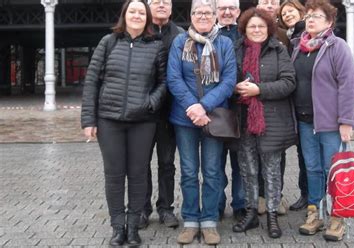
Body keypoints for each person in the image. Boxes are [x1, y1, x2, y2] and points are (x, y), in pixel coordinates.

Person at [81, 0, 167, 246]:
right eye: (133, 11)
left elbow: (164, 82)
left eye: (142, 12)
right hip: (109, 120)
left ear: (147, 17)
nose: (137, 15)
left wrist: (151, 102)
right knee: (114, 175)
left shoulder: (156, 46)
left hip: (143, 121)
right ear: (124, 15)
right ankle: (117, 227)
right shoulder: (108, 43)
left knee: (139, 174)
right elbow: (92, 82)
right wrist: (89, 119)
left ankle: (133, 227)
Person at [166, 0, 237, 245]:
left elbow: (228, 81)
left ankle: (208, 221)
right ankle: (190, 220)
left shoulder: (224, 43)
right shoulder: (179, 42)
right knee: (188, 171)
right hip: (184, 118)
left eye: (208, 12)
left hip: (214, 117)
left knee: (212, 171)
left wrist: (204, 106)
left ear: (215, 16)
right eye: (198, 12)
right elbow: (173, 78)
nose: (203, 16)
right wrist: (193, 107)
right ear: (191, 16)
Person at [290, 0, 354, 241]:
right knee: (313, 168)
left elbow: (348, 86)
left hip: (330, 123)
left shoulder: (337, 47)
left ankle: (337, 218)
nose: (310, 19)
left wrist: (347, 121)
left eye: (317, 16)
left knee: (334, 170)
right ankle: (314, 214)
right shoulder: (299, 47)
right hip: (305, 120)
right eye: (308, 15)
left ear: (329, 22)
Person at [231, 7, 297, 239]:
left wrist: (259, 89)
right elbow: (227, 78)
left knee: (271, 170)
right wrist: (235, 88)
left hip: (272, 121)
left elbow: (289, 82)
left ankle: (271, 214)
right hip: (244, 119)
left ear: (268, 28)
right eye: (252, 26)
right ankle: (250, 212)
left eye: (261, 26)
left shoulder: (278, 50)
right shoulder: (236, 49)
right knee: (248, 168)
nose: (257, 30)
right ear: (244, 29)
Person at [139, 0, 185, 230]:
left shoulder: (181, 35)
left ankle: (166, 208)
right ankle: (142, 209)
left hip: (170, 111)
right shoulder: (138, 32)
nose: (161, 5)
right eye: (156, 1)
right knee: (141, 163)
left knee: (167, 163)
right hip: (144, 111)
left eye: (165, 2)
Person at [255, 0, 291, 216]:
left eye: (273, 1)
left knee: (277, 152)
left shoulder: (284, 35)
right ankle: (259, 195)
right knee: (253, 153)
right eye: (264, 1)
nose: (269, 4)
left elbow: (289, 73)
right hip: (252, 104)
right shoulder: (248, 29)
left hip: (277, 103)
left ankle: (276, 194)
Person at [215, 0, 246, 221]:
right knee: (214, 162)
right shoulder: (208, 35)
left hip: (241, 108)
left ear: (238, 12)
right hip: (215, 108)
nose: (226, 12)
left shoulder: (246, 36)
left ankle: (241, 204)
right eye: (222, 8)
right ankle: (216, 204)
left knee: (240, 161)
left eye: (231, 8)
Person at [279, 0, 309, 211]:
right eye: (284, 13)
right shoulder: (291, 36)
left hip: (307, 103)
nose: (288, 15)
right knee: (303, 153)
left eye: (291, 11)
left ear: (301, 12)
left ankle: (311, 197)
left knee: (308, 154)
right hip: (295, 104)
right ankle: (307, 194)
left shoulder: (307, 35)